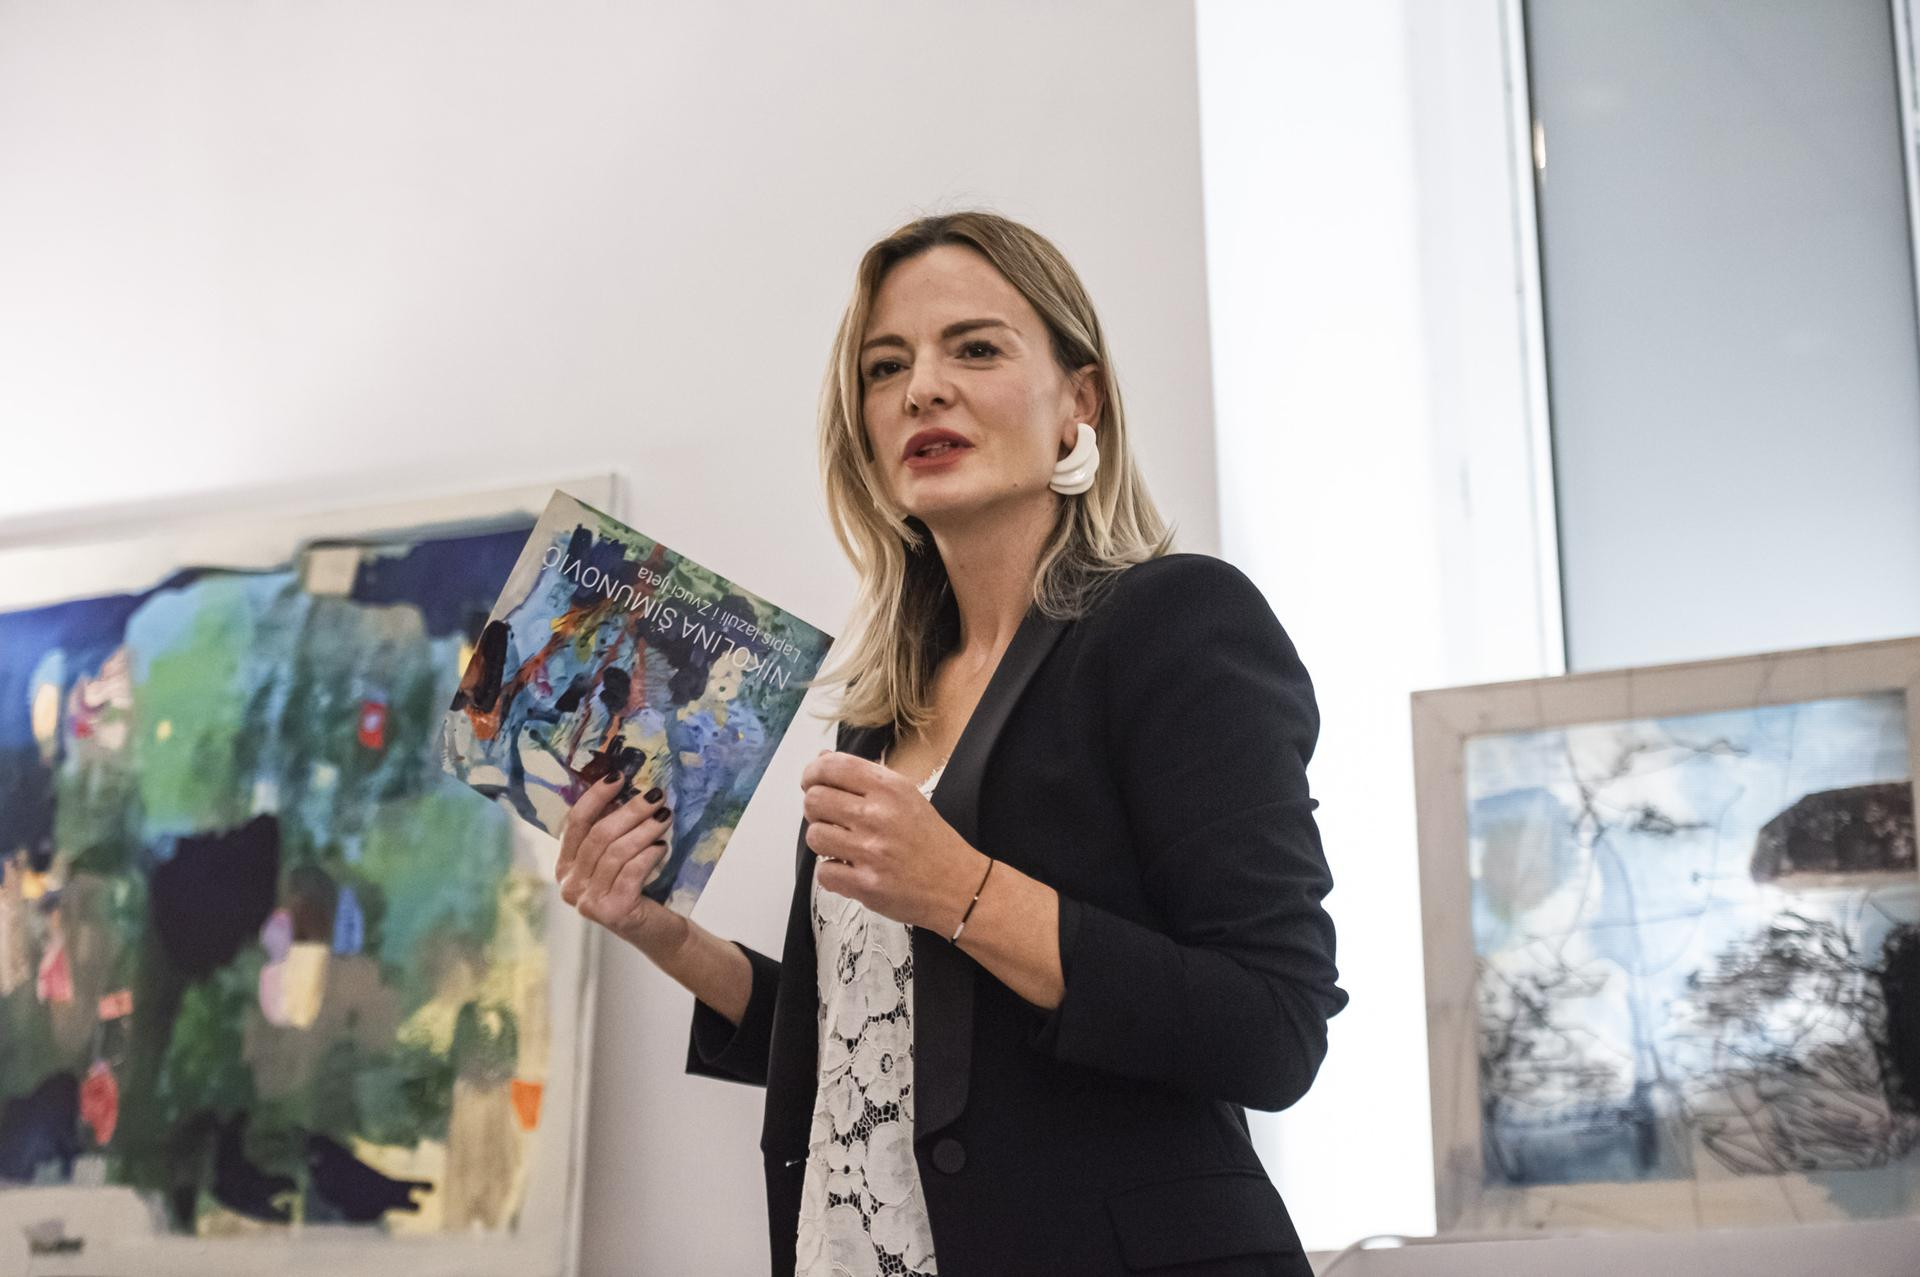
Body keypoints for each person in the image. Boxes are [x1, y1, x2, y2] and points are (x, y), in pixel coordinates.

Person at [554, 210, 1346, 1276]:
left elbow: (1274, 1025)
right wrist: (662, 930)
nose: (923, 388)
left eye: (974, 348)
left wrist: (964, 890)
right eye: (887, 367)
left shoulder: (1176, 622)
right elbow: (879, 1043)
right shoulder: (882, 707)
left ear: (1080, 401)